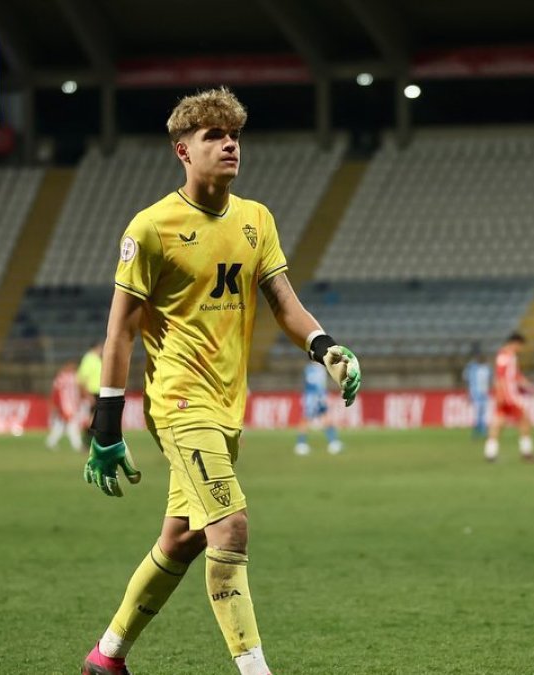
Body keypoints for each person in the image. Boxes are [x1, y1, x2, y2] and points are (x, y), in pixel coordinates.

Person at [79, 87, 362, 675]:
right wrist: (105, 426)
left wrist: (325, 347)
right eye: (214, 135)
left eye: (234, 134)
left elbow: (284, 301)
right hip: (180, 403)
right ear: (183, 150)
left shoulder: (256, 219)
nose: (230, 144)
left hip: (228, 404)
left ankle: (106, 658)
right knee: (229, 524)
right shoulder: (151, 229)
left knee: (182, 538)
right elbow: (120, 334)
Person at [484, 333, 534, 462]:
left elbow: (516, 376)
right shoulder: (505, 356)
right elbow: (500, 377)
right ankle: (526, 452)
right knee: (524, 419)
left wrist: (530, 386)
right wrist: (500, 395)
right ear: (515, 343)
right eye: (520, 346)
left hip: (507, 394)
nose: (521, 349)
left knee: (498, 423)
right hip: (509, 396)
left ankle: (490, 453)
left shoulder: (510, 356)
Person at [294, 361, 341, 456]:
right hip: (313, 398)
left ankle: (333, 442)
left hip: (318, 397)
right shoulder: (313, 369)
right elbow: (313, 384)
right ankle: (300, 444)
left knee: (325, 417)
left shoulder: (318, 368)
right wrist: (318, 396)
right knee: (306, 419)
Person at [47, 361, 83, 451]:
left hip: (71, 405)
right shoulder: (62, 377)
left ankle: (51, 442)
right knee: (72, 424)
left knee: (61, 425)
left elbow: (77, 391)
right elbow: (56, 392)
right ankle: (77, 445)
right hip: (66, 405)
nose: (73, 369)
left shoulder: (73, 377)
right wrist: (56, 405)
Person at [77, 342, 103, 445]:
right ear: (96, 348)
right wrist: (87, 395)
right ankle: (87, 442)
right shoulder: (88, 359)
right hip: (92, 392)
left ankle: (92, 442)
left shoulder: (97, 359)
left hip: (99, 392)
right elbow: (82, 378)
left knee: (96, 419)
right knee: (92, 419)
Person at [462, 351, 492, 438]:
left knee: (483, 412)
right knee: (478, 412)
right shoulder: (472, 368)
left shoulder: (487, 368)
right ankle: (479, 430)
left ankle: (480, 430)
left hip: (484, 393)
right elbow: (467, 380)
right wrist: (468, 393)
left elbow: (490, 379)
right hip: (475, 393)